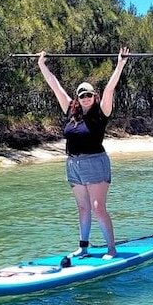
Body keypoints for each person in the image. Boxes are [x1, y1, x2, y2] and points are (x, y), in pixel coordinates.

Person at [38, 47, 130, 265]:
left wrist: (120, 65)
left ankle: (111, 249)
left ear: (94, 96)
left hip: (95, 162)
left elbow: (110, 89)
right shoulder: (71, 109)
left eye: (89, 94)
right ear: (78, 98)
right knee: (83, 208)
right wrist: (42, 64)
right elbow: (55, 86)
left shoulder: (101, 112)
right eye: (82, 95)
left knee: (98, 208)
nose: (86, 98)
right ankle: (83, 248)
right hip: (73, 164)